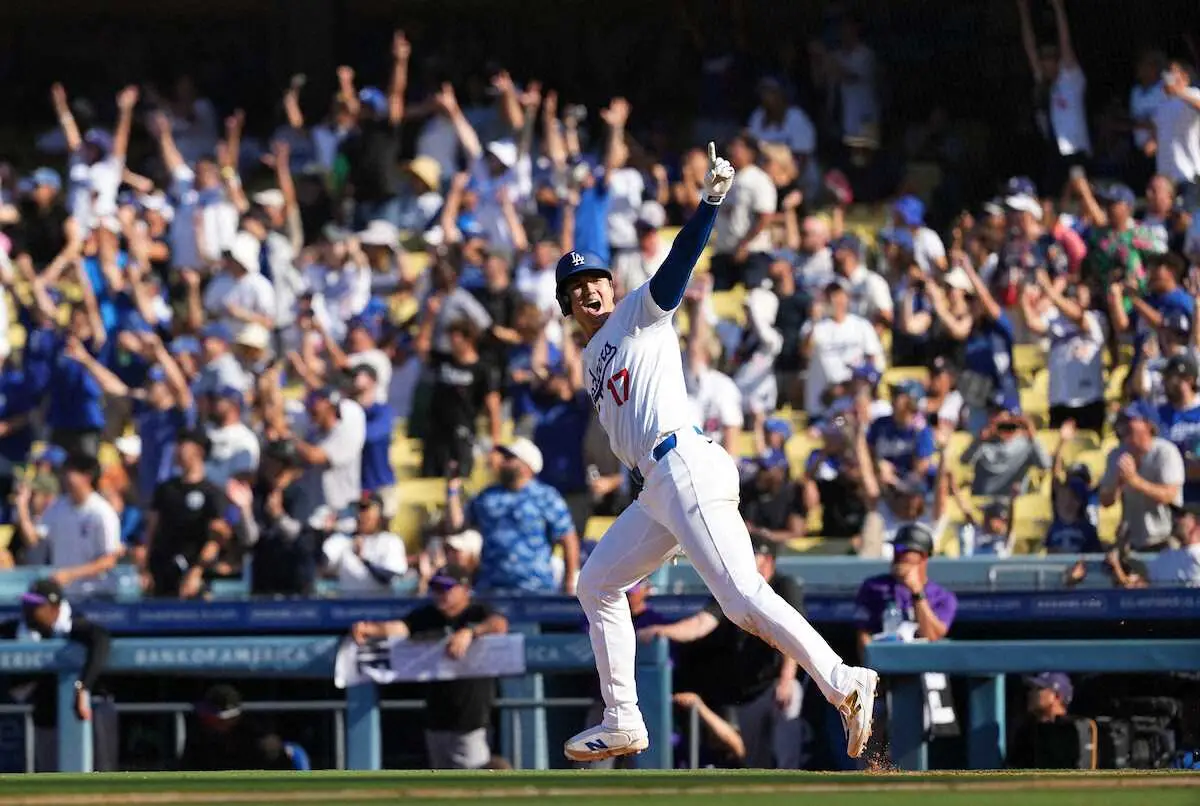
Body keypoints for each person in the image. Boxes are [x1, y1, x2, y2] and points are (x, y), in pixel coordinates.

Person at [556, 143, 876, 763]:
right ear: (567, 307)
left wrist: (709, 203)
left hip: (685, 464)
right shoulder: (590, 355)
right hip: (658, 486)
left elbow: (677, 267)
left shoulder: (636, 314)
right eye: (575, 288)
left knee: (741, 600)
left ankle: (844, 680)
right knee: (595, 582)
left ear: (610, 284)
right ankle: (623, 717)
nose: (588, 291)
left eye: (594, 279)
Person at [639, 536, 806, 769]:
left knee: (789, 713)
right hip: (748, 692)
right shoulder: (733, 587)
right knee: (753, 762)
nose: (743, 561)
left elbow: (793, 633)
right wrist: (662, 630)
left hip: (776, 683)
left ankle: (794, 779)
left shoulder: (784, 586)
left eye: (752, 555)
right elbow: (701, 624)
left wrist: (787, 679)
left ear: (767, 560)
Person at [351, 565, 510, 769]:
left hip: (471, 719)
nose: (440, 594)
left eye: (447, 588)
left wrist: (470, 632)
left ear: (465, 588)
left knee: (473, 786)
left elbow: (499, 624)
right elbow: (401, 628)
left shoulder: (478, 611)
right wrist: (370, 628)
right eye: (436, 588)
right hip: (436, 718)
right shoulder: (428, 615)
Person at [0, 579, 111, 772]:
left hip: (87, 712)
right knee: (50, 776)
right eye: (27, 604)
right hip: (46, 715)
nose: (28, 610)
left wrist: (83, 687)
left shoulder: (74, 623)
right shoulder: (18, 628)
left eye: (35, 606)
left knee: (97, 777)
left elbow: (101, 639)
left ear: (53, 608)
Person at [446, 438, 580, 594]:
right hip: (492, 590)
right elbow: (456, 526)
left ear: (527, 465)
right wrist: (452, 490)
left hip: (536, 589)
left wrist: (570, 582)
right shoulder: (487, 496)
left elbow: (568, 538)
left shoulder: (546, 497)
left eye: (510, 458)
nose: (502, 461)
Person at [142, 428, 230, 598]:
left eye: (183, 444)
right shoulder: (165, 489)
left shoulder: (212, 492)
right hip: (162, 571)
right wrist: (145, 568)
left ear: (199, 450)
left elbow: (215, 539)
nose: (178, 449)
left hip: (194, 577)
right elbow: (151, 530)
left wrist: (197, 572)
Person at [1016, 0, 1091, 194]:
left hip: (1075, 149)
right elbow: (1029, 48)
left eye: (1050, 58)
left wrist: (1059, 9)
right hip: (1053, 149)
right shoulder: (1045, 83)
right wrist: (1023, 12)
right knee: (1050, 195)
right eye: (1044, 59)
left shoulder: (1071, 79)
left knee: (1080, 195)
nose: (1046, 63)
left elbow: (1065, 43)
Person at [854, 523, 957, 659]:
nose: (897, 555)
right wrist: (874, 665)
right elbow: (863, 634)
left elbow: (933, 636)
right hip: (885, 666)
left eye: (904, 549)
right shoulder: (874, 586)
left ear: (923, 556)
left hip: (927, 665)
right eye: (895, 549)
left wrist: (917, 592)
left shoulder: (942, 596)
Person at [1100, 405, 1184, 551]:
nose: (1124, 425)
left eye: (1131, 420)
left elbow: (1170, 495)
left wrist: (1135, 481)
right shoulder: (1116, 455)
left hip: (1166, 537)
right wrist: (1118, 483)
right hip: (1132, 539)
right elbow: (1106, 501)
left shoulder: (1165, 452)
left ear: (1148, 424)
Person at [41, 453, 122, 598]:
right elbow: (35, 538)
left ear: (87, 476)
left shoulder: (102, 512)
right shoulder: (58, 507)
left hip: (95, 595)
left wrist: (71, 574)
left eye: (71, 471)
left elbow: (109, 560)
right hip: (65, 594)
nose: (65, 477)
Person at [709, 134, 777, 290]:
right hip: (725, 252)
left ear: (750, 152)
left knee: (752, 299)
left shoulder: (758, 179)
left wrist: (744, 244)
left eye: (738, 147)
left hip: (751, 253)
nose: (732, 150)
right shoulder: (727, 177)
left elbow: (765, 217)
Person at [179, 684, 293, 771]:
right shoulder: (199, 736)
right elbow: (185, 769)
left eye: (212, 716)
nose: (207, 720)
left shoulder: (260, 741)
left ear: (233, 717)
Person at [321, 491, 408, 595]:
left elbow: (389, 577)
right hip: (347, 608)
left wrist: (363, 560)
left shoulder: (391, 541)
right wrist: (323, 534)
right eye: (359, 509)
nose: (360, 514)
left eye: (365, 509)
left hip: (379, 607)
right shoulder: (343, 540)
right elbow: (321, 564)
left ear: (379, 513)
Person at [1144, 59, 1200, 187]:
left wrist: (1179, 92)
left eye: (1172, 72)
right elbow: (1157, 130)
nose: (1167, 76)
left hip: (1189, 174)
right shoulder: (1162, 104)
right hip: (1166, 178)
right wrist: (1152, 142)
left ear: (1185, 76)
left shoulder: (1193, 94)